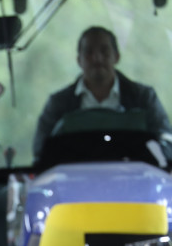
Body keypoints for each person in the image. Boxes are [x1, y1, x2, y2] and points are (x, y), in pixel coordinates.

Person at [33, 26, 172, 161]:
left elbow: (167, 144)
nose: (97, 58)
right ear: (79, 60)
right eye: (89, 52)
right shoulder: (58, 103)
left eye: (104, 51)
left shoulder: (144, 98)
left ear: (116, 57)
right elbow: (40, 152)